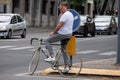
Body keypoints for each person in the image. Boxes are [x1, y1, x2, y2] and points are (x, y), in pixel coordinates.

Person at [44, 1, 74, 72]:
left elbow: (59, 25)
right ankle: (66, 67)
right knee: (63, 51)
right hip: (69, 34)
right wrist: (61, 13)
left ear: (65, 7)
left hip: (63, 34)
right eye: (60, 7)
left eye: (61, 6)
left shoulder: (65, 15)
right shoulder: (70, 14)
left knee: (48, 41)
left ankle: (52, 56)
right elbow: (61, 19)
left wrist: (53, 33)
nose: (60, 8)